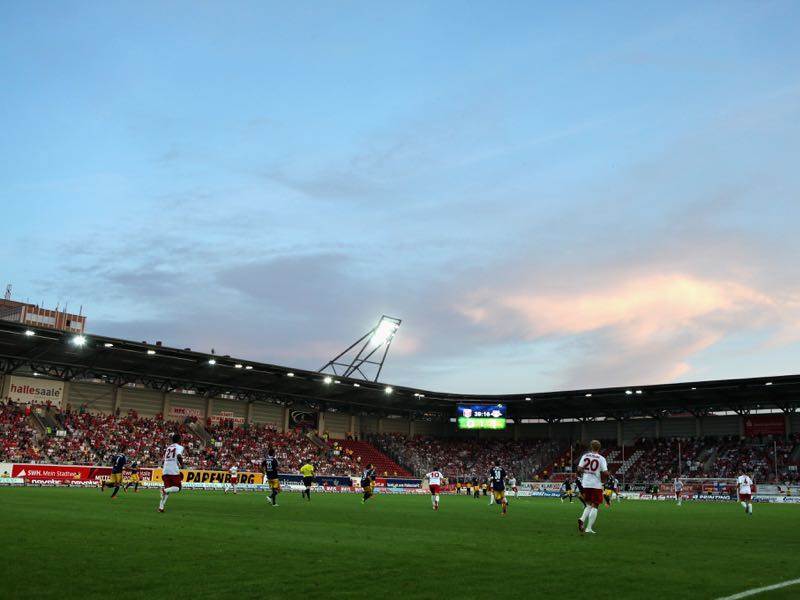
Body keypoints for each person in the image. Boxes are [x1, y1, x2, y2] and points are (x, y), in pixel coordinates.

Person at [576, 440, 608, 534]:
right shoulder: (601, 458)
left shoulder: (585, 456)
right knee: (595, 505)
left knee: (589, 504)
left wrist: (585, 472)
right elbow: (605, 472)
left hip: (585, 483)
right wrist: (609, 475)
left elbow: (578, 469)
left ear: (591, 447)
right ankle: (589, 528)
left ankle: (582, 519)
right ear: (599, 448)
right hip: (596, 484)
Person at [158, 433, 185, 513]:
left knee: (168, 489)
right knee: (178, 488)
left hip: (165, 470)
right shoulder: (179, 447)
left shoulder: (168, 447)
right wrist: (182, 464)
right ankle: (164, 490)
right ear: (179, 440)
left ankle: (161, 507)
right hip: (173, 470)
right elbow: (179, 456)